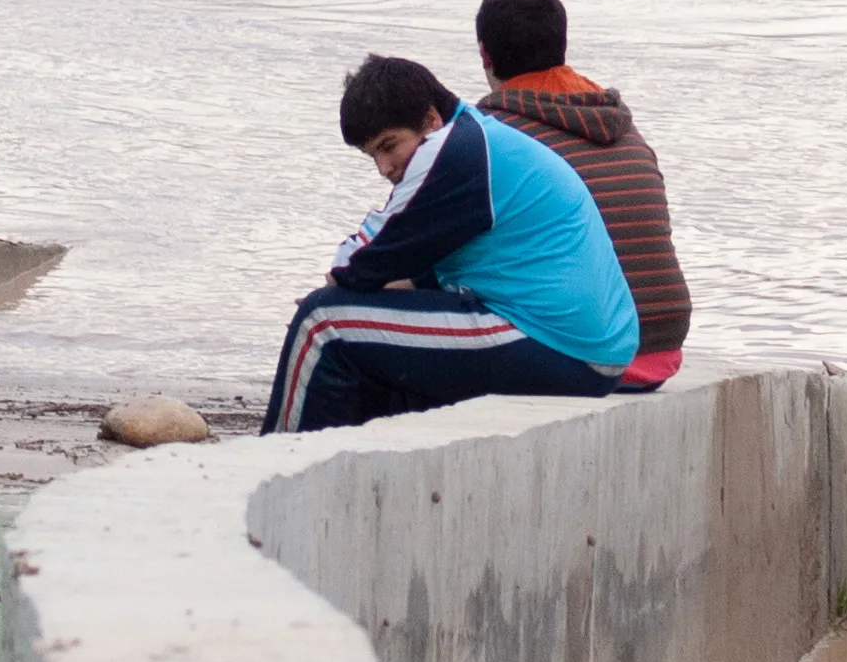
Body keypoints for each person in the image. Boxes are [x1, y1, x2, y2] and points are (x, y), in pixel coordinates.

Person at [261, 54, 641, 434]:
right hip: (588, 347)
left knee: (322, 322)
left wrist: (341, 287)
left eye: (389, 146)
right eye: (372, 155)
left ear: (429, 120)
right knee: (365, 331)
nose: (384, 167)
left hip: (559, 346)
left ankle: (277, 462)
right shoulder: (479, 139)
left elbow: (359, 260)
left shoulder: (453, 151)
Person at [472, 0, 692, 391]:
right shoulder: (623, 127)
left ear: (485, 53)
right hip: (662, 347)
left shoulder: (494, 136)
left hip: (589, 353)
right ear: (562, 44)